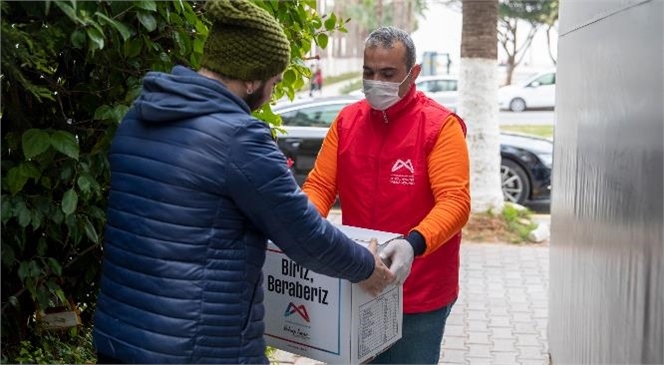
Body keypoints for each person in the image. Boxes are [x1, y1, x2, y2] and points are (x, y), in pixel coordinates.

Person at [91, 1, 394, 363]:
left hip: (121, 339)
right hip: (198, 348)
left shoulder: (138, 117)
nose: (273, 92)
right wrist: (365, 266)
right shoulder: (239, 138)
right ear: (251, 79)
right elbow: (304, 233)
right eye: (274, 81)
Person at [302, 26, 471, 364]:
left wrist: (413, 243)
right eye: (369, 72)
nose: (376, 81)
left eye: (388, 73)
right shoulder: (348, 122)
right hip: (360, 282)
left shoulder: (439, 126)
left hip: (419, 291)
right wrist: (298, 227)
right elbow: (320, 186)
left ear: (414, 73)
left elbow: (455, 201)